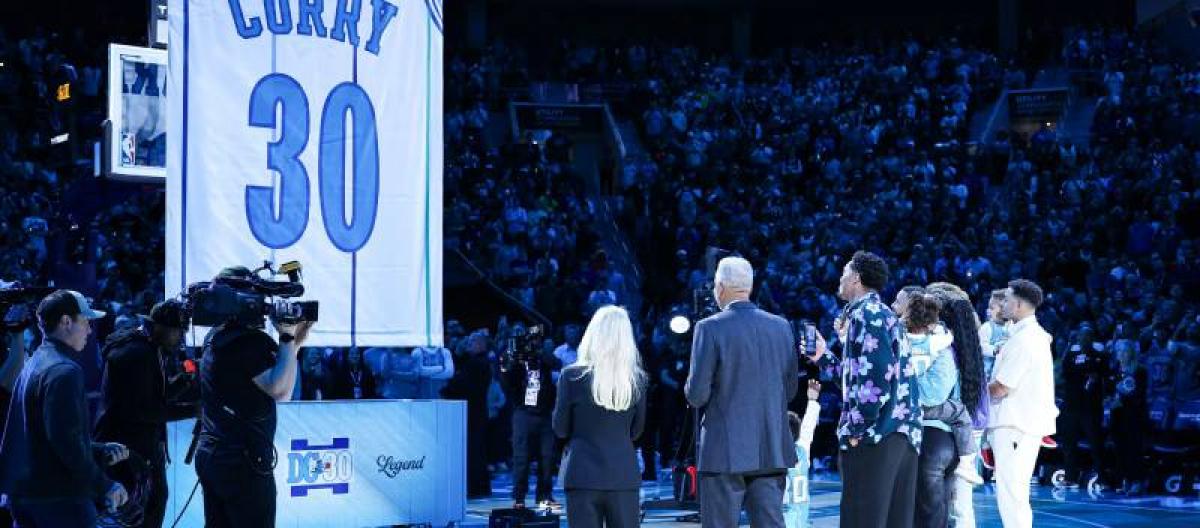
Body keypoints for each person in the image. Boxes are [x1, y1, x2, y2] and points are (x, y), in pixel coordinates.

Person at [807, 251, 921, 528]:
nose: (840, 278)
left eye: (845, 272)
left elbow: (875, 383)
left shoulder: (866, 315)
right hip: (897, 432)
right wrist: (823, 357)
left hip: (876, 435)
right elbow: (860, 379)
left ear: (856, 278)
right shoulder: (880, 314)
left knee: (861, 518)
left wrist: (857, 429)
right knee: (894, 520)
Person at [194, 268, 315, 528]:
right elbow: (282, 391)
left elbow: (267, 376)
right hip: (243, 463)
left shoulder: (215, 336)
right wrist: (285, 336)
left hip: (214, 455)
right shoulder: (251, 343)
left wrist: (293, 342)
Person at [686, 256, 798, 528]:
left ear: (720, 287)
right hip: (771, 447)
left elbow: (697, 395)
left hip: (724, 452)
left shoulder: (709, 327)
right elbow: (790, 390)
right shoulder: (781, 326)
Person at [0, 290, 129, 526]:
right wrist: (105, 485)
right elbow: (66, 443)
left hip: (26, 497)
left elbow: (42, 435)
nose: (89, 330)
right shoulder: (64, 371)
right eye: (86, 321)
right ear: (66, 322)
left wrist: (96, 449)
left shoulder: (34, 362)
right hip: (59, 500)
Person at [94, 300, 197, 528]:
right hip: (127, 450)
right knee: (141, 510)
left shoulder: (148, 346)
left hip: (138, 446)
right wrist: (193, 410)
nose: (181, 338)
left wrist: (184, 381)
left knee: (153, 502)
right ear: (160, 327)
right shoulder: (137, 354)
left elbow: (154, 396)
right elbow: (145, 410)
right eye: (178, 331)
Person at [553, 305, 647, 528]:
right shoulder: (637, 379)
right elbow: (636, 432)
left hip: (582, 474)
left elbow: (560, 429)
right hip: (623, 474)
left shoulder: (571, 376)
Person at [987, 279, 1058, 528]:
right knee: (1012, 490)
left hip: (1015, 424)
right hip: (1016, 423)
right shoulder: (1026, 335)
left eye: (1006, 300)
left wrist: (972, 390)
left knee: (1012, 491)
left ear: (1018, 305)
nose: (1002, 304)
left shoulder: (1026, 340)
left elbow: (1001, 387)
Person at [500, 324, 562, 510]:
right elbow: (506, 379)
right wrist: (515, 358)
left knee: (547, 457)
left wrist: (538, 352)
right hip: (523, 412)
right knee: (521, 457)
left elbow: (557, 364)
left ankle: (544, 495)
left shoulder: (543, 356)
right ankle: (519, 497)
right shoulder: (513, 358)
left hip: (544, 413)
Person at [783, 380, 821, 528]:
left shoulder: (777, 457)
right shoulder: (802, 450)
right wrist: (812, 400)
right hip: (801, 521)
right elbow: (807, 428)